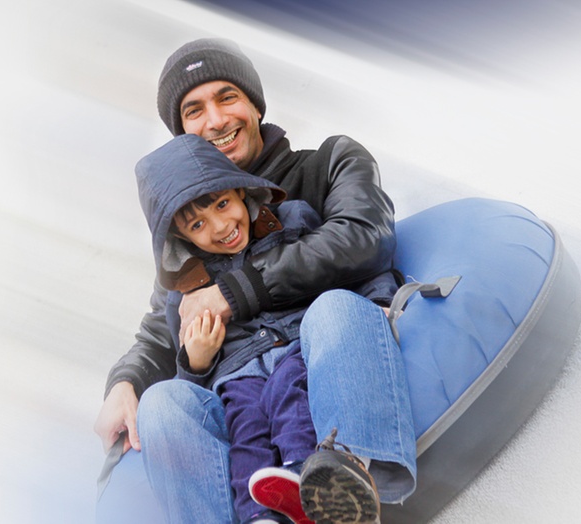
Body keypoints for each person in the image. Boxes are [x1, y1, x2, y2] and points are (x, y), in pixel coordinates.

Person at [94, 38, 416, 524]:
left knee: (335, 307)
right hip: (246, 382)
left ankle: (345, 483)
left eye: (227, 97)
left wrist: (231, 293)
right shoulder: (186, 243)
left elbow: (362, 238)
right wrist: (125, 382)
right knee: (163, 401)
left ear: (254, 105)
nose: (217, 120)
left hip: (322, 355)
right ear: (182, 134)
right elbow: (162, 330)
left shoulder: (326, 163)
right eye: (194, 110)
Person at [136, 132, 324, 523]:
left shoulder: (290, 222)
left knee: (288, 395)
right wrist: (197, 361)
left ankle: (305, 479)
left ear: (242, 191)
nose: (221, 226)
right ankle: (258, 516)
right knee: (247, 432)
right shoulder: (185, 293)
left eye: (223, 204)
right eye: (199, 225)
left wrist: (380, 300)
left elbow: (334, 271)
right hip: (239, 372)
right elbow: (185, 371)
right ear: (180, 238)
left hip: (292, 345)